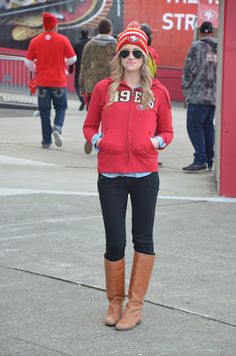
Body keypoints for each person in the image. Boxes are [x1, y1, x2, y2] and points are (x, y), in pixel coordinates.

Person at [83, 27, 173, 330]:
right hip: (110, 174)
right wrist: (99, 141)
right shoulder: (103, 89)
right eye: (126, 52)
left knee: (143, 239)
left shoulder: (158, 92)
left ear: (144, 56)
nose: (131, 57)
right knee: (115, 241)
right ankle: (114, 303)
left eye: (137, 52)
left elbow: (167, 132)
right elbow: (90, 124)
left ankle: (135, 307)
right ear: (118, 56)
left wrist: (154, 144)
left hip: (145, 174)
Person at [24, 12, 76, 149]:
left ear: (44, 26)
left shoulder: (35, 41)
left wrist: (35, 68)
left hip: (42, 82)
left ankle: (46, 141)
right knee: (61, 107)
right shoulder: (63, 39)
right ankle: (57, 128)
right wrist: (63, 61)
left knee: (44, 112)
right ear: (55, 26)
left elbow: (27, 61)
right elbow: (73, 59)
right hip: (59, 82)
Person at [182, 21, 217, 171]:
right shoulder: (219, 47)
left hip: (198, 95)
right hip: (214, 96)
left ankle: (200, 160)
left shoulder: (197, 46)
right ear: (212, 33)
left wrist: (185, 88)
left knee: (194, 126)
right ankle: (209, 159)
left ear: (201, 32)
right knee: (208, 126)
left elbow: (190, 70)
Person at [79, 18, 116, 154]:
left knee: (92, 116)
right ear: (110, 30)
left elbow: (84, 66)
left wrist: (82, 87)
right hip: (111, 85)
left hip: (92, 86)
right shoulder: (116, 45)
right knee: (110, 116)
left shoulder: (89, 45)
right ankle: (106, 140)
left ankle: (91, 136)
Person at [69, 29, 90, 111]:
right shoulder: (91, 43)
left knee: (77, 85)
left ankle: (82, 99)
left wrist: (71, 68)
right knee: (88, 86)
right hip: (89, 67)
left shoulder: (77, 44)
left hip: (79, 67)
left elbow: (72, 56)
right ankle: (88, 101)